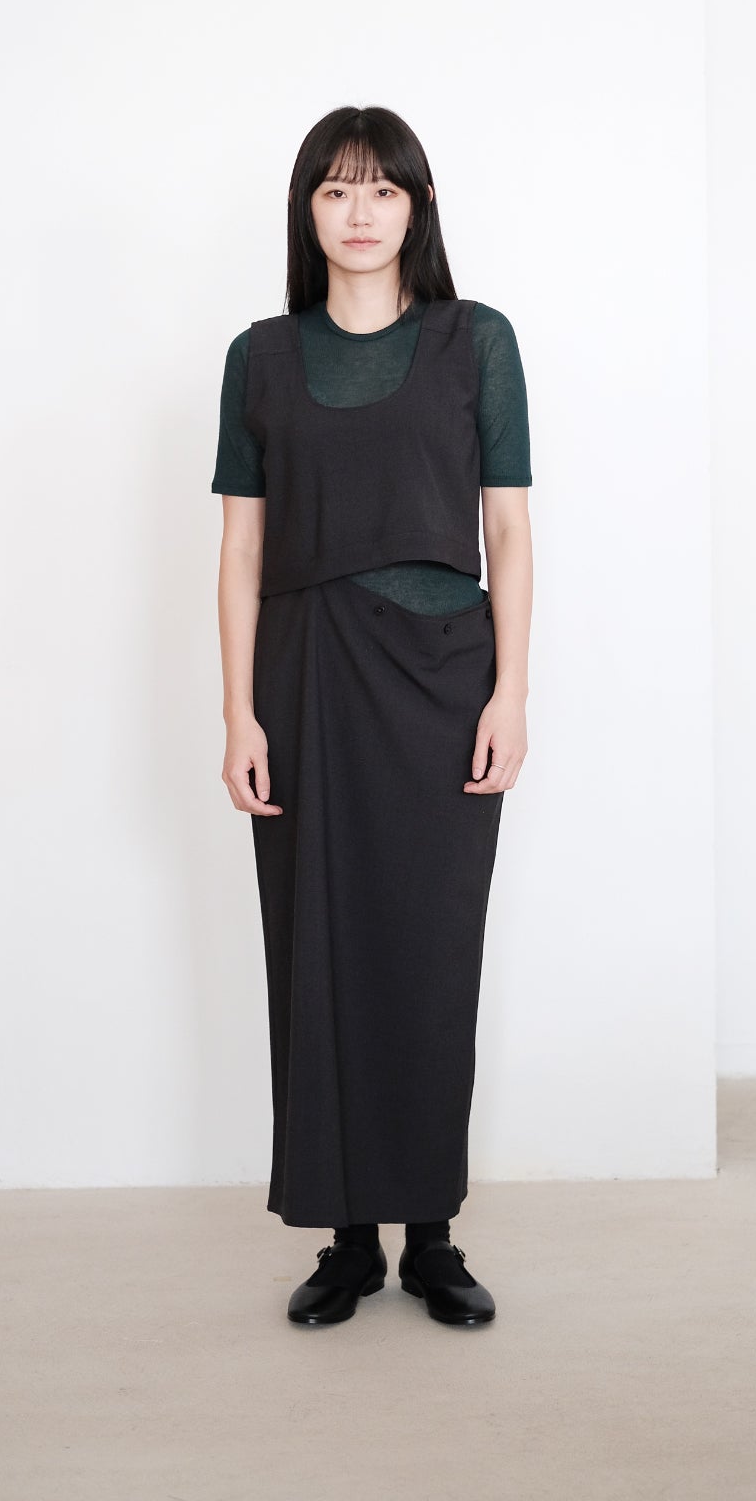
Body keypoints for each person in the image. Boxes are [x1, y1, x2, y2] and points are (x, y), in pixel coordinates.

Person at [211, 105, 533, 1328]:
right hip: (302, 682)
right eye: (336, 190)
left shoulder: (475, 341)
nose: (359, 213)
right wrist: (238, 715)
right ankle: (347, 1239)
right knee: (317, 951)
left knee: (429, 950)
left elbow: (508, 531)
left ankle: (431, 1237)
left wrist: (510, 691)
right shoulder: (258, 357)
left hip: (441, 682)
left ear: (417, 208)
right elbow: (240, 553)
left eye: (382, 190)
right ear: (306, 209)